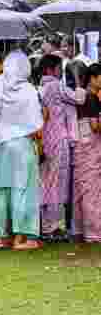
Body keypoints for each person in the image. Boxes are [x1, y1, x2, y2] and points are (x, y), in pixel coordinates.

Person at [0, 50, 44, 251]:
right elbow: (36, 123)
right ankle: (22, 237)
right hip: (22, 144)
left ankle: (2, 236)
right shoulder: (28, 90)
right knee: (23, 190)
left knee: (1, 191)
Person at [38, 53, 87, 241]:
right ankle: (53, 227)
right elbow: (79, 99)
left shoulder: (41, 86)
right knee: (57, 184)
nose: (60, 72)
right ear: (51, 69)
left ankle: (46, 225)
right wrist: (77, 80)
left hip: (45, 139)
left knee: (46, 181)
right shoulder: (55, 86)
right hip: (58, 139)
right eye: (59, 68)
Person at [74, 63, 101, 243]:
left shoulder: (81, 96)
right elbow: (94, 126)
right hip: (90, 146)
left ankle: (80, 229)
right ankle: (94, 231)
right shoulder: (92, 98)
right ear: (93, 78)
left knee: (81, 189)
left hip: (80, 146)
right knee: (92, 189)